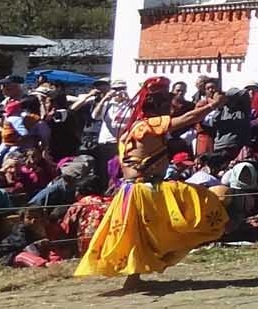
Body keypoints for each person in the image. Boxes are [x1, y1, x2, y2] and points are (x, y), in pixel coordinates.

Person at [74, 77, 229, 292]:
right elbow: (185, 120)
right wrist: (213, 105)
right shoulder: (148, 125)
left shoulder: (133, 128)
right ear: (157, 105)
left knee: (137, 236)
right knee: (203, 201)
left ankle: (134, 277)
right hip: (145, 190)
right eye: (166, 101)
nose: (170, 105)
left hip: (132, 190)